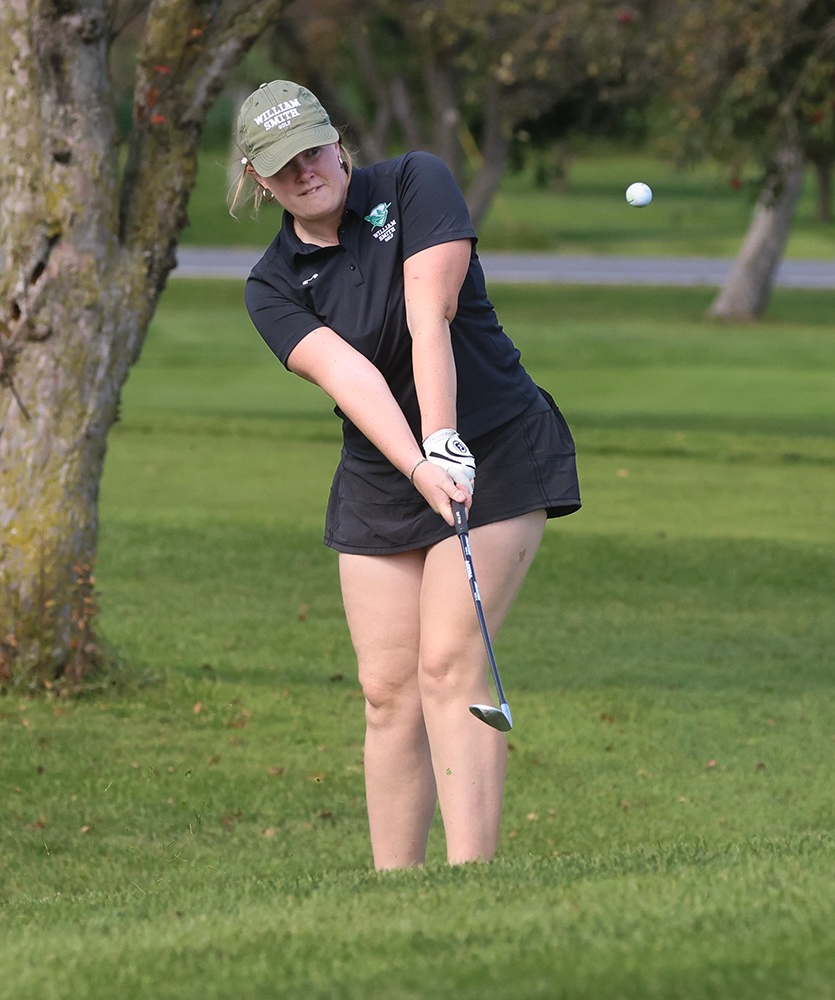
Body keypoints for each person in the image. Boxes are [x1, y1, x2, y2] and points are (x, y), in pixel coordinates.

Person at [230, 80, 581, 869]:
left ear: (336, 141)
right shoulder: (272, 283)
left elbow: (432, 314)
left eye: (313, 152)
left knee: (448, 663)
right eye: (283, 166)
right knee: (387, 692)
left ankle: (470, 878)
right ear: (259, 178)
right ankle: (394, 894)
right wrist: (421, 461)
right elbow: (352, 380)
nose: (305, 172)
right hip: (383, 471)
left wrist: (446, 441)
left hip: (493, 444)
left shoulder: (417, 181)